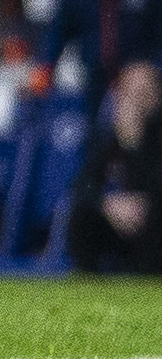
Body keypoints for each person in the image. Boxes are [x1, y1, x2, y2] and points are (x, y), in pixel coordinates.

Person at [65, 60, 161, 275]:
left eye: (144, 93)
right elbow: (83, 184)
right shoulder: (110, 138)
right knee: (84, 216)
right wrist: (107, 203)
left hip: (153, 218)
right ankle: (89, 281)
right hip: (123, 219)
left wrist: (135, 144)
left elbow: (153, 182)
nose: (136, 102)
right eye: (130, 93)